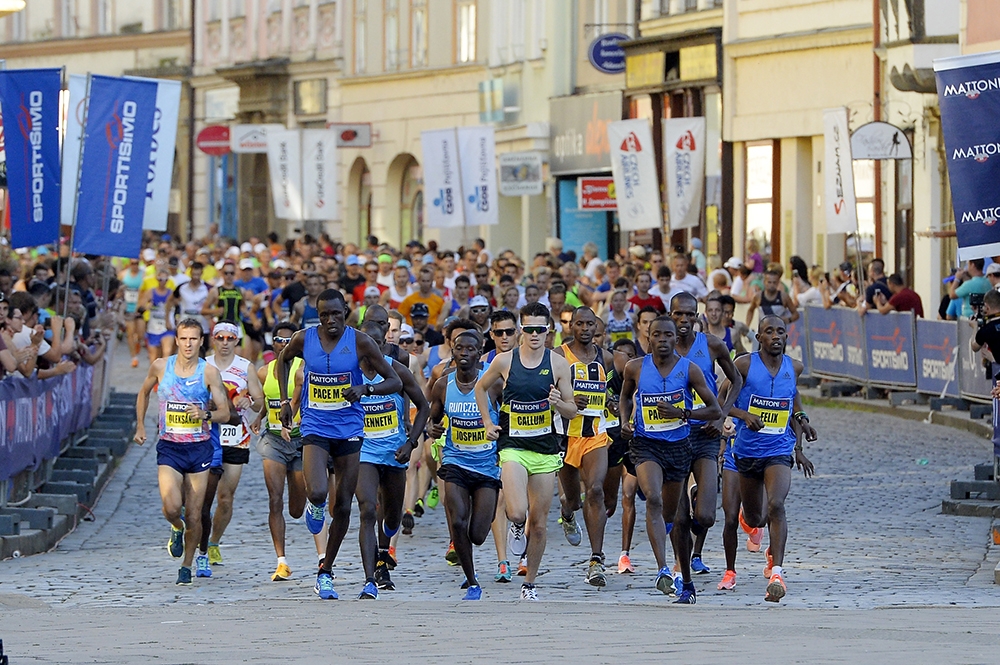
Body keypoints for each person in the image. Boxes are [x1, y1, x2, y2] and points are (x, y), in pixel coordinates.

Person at [277, 289, 402, 601]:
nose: (330, 320)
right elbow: (282, 361)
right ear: (317, 315)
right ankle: (315, 504)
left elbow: (395, 381)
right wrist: (284, 400)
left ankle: (326, 572)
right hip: (316, 426)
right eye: (324, 315)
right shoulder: (304, 338)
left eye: (336, 314)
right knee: (318, 491)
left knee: (344, 507)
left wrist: (365, 389)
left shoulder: (360, 341)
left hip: (349, 429)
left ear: (346, 312)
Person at [474, 301, 580, 600]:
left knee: (540, 523)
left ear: (549, 331)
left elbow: (572, 410)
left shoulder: (558, 364)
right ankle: (515, 526)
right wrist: (487, 422)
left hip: (544, 450)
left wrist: (559, 403)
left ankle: (529, 583)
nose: (534, 335)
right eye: (529, 329)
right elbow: (481, 389)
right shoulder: (505, 361)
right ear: (521, 329)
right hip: (513, 447)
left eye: (540, 329)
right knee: (517, 511)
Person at [619, 316, 722, 603]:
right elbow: (625, 399)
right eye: (657, 335)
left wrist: (683, 415)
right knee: (652, 497)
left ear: (676, 339)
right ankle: (663, 570)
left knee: (676, 517)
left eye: (668, 335)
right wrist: (625, 421)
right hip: (645, 444)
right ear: (648, 338)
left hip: (678, 446)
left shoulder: (689, 370)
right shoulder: (635, 367)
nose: (662, 340)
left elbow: (714, 409)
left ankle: (685, 578)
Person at [133, 319, 230, 585]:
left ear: (201, 342)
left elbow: (225, 412)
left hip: (199, 448)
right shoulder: (161, 366)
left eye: (193, 339)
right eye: (183, 339)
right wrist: (141, 425)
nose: (188, 344)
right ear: (176, 340)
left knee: (196, 514)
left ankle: (186, 565)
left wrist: (205, 413)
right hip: (170, 447)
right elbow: (143, 393)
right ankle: (176, 527)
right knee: (172, 506)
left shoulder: (208, 372)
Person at [726, 315, 817, 602]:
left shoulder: (795, 367)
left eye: (781, 332)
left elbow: (792, 401)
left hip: (779, 449)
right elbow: (721, 403)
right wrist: (744, 415)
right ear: (759, 338)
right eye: (769, 332)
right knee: (758, 516)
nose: (776, 336)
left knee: (776, 504)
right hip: (746, 451)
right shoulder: (743, 365)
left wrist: (801, 427)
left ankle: (777, 572)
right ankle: (747, 519)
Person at [668, 293, 743, 582]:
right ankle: (680, 567)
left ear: (697, 316)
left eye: (689, 315)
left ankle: (691, 539)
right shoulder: (664, 345)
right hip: (673, 435)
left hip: (705, 433)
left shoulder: (711, 344)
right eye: (678, 315)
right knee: (680, 516)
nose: (684, 320)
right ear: (671, 315)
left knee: (706, 516)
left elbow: (735, 379)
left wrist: (722, 414)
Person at [250, 321, 328, 581]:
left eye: (287, 341)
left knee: (296, 507)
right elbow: (271, 398)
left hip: (299, 441)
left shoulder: (301, 370)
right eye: (278, 340)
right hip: (274, 440)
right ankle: (281, 561)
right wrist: (261, 415)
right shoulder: (264, 372)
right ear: (271, 343)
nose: (282, 345)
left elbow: (293, 401)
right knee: (275, 498)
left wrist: (289, 421)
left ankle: (319, 550)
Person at [355, 321, 429, 596]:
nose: (370, 352)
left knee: (392, 515)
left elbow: (424, 407)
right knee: (367, 510)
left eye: (376, 345)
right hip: (364, 451)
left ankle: (384, 551)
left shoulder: (396, 370)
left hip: (394, 451)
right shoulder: (350, 372)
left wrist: (411, 443)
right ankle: (370, 577)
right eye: (365, 346)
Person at [428, 330, 503, 599]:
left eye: (470, 349)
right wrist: (432, 429)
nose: (464, 354)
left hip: (486, 466)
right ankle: (471, 581)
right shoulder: (442, 385)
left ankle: (474, 536)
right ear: (452, 350)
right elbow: (432, 419)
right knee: (458, 522)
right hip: (455, 462)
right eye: (459, 348)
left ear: (479, 351)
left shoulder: (493, 384)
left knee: (478, 534)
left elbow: (506, 420)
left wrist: (499, 437)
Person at [198, 321, 265, 574]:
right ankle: (198, 537)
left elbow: (260, 402)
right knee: (200, 496)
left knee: (225, 497)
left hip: (237, 437)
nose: (225, 342)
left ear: (237, 341)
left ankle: (213, 541)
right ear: (213, 339)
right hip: (206, 437)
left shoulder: (245, 367)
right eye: (220, 337)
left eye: (230, 338)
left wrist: (250, 402)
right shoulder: (203, 364)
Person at [554, 307, 613, 586]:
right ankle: (566, 512)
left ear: (596, 327)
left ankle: (596, 560)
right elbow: (544, 390)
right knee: (574, 500)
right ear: (572, 327)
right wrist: (566, 401)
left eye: (590, 324)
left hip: (595, 434)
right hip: (565, 434)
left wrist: (614, 403)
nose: (585, 329)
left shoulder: (607, 358)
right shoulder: (557, 356)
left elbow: (619, 388)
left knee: (596, 490)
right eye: (580, 324)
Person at [601, 338, 639, 574]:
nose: (625, 360)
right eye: (621, 355)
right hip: (613, 442)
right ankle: (599, 549)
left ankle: (625, 555)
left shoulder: (641, 378)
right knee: (610, 504)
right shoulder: (607, 379)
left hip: (634, 443)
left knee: (629, 495)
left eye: (631, 356)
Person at [138, 269, 176, 362]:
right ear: (156, 279)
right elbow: (139, 309)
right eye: (160, 279)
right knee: (153, 357)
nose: (162, 282)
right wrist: (147, 306)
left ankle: (165, 375)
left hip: (167, 327)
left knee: (167, 352)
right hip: (153, 327)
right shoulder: (150, 292)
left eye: (165, 280)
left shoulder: (171, 293)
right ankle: (155, 375)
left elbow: (177, 308)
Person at [121, 259, 145, 367]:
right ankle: (134, 357)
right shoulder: (123, 274)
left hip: (139, 308)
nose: (134, 265)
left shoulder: (143, 275)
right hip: (128, 308)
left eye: (137, 263)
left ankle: (138, 343)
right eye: (132, 263)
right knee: (130, 333)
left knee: (140, 334)